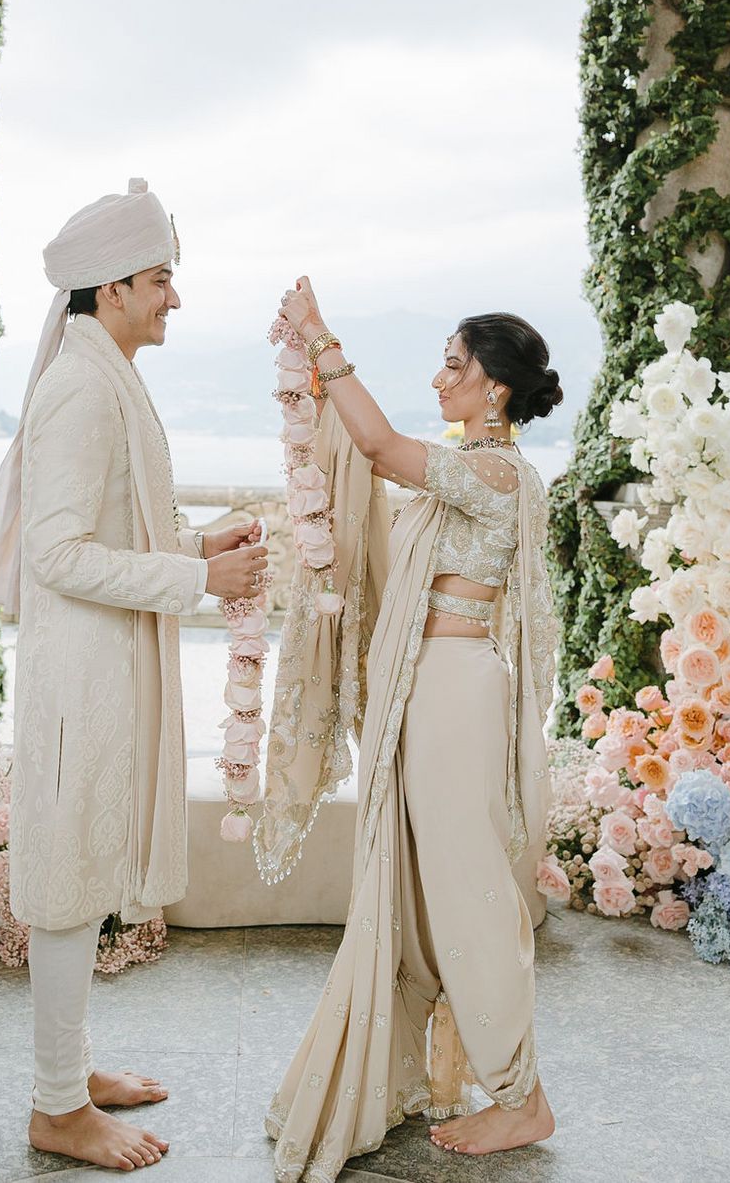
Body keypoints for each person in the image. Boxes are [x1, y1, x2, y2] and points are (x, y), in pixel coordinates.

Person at [0, 180, 268, 1172]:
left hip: (107, 671)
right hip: (83, 679)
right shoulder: (79, 387)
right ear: (108, 288)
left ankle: (74, 1068)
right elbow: (58, 553)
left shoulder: (102, 371)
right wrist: (198, 576)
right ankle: (56, 1105)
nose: (172, 298)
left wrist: (198, 539)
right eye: (159, 279)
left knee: (88, 866)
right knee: (66, 884)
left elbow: (109, 532)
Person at [257, 276, 563, 1180]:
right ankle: (455, 1068)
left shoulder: (493, 472)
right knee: (432, 890)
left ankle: (521, 1094)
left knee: (467, 889)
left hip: (457, 690)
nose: (441, 379)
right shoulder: (475, 467)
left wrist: (324, 344)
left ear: (494, 387)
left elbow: (381, 446)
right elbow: (384, 458)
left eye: (453, 365)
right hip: (434, 683)